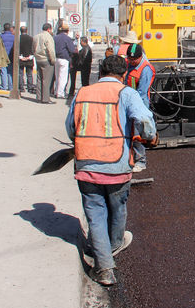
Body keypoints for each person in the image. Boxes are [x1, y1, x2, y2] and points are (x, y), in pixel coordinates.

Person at [65, 55, 157, 286]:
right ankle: (114, 244)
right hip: (117, 165)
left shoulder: (82, 93)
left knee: (95, 215)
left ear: (101, 72)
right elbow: (145, 122)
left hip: (87, 165)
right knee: (118, 209)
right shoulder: (127, 93)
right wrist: (149, 137)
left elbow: (70, 128)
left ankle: (104, 268)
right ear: (123, 74)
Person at [125, 43, 156, 172]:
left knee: (138, 133)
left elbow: (142, 92)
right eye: (129, 59)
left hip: (139, 104)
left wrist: (133, 106)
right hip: (127, 102)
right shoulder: (128, 65)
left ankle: (141, 161)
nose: (131, 61)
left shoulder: (146, 69)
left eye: (134, 59)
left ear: (140, 57)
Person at [33, 23, 56, 104]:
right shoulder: (48, 37)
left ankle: (39, 97)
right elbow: (51, 50)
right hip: (46, 59)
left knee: (39, 78)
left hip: (38, 59)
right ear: (49, 29)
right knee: (46, 80)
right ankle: (46, 98)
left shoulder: (36, 37)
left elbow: (33, 48)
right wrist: (53, 60)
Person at [53, 22, 77, 98]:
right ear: (67, 31)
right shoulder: (67, 39)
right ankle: (60, 93)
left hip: (56, 58)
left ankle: (56, 92)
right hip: (64, 59)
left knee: (57, 76)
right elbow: (72, 50)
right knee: (63, 77)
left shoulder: (55, 38)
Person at [14, 26, 35, 93]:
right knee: (29, 74)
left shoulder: (18, 39)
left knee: (20, 74)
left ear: (20, 31)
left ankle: (21, 87)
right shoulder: (31, 38)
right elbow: (33, 48)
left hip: (21, 58)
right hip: (29, 58)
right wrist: (30, 56)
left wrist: (20, 56)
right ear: (26, 30)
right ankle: (30, 87)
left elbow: (15, 48)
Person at [0, 23, 14, 90]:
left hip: (2, 56)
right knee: (10, 72)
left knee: (3, 72)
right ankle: (10, 87)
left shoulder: (1, 36)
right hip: (11, 56)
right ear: (10, 29)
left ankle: (4, 86)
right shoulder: (13, 37)